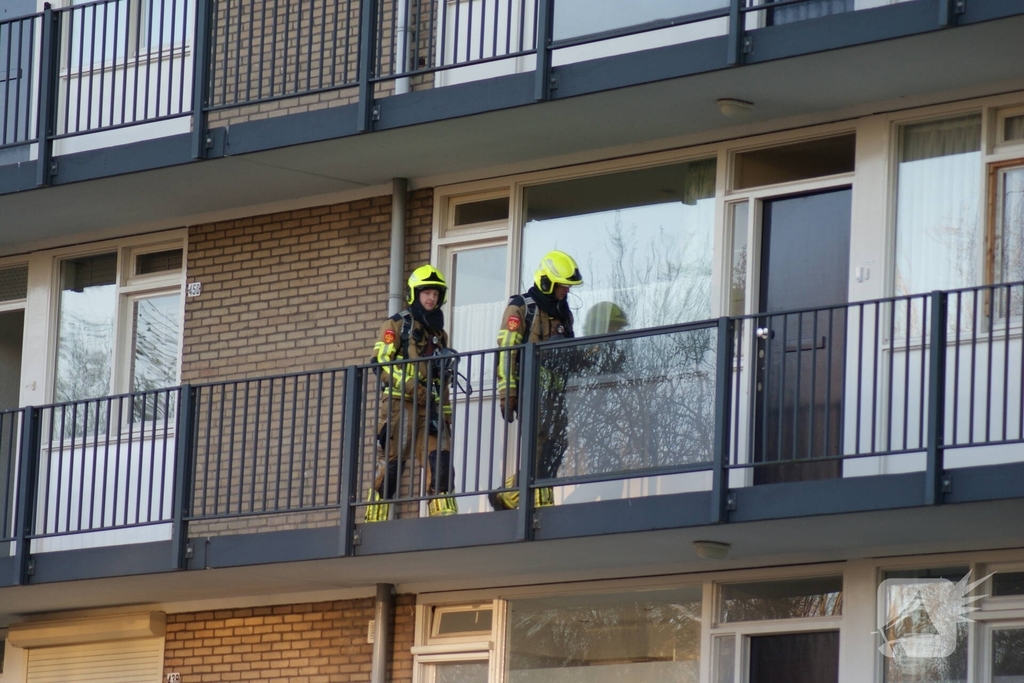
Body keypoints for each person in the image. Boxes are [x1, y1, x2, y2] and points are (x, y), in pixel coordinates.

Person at [491, 250, 583, 510]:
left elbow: (568, 353)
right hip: (531, 390)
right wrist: (507, 392)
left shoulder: (564, 313)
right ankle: (534, 499)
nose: (566, 289)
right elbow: (506, 350)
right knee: (539, 443)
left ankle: (509, 494)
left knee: (556, 445)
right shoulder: (521, 307)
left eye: (568, 285)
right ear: (547, 281)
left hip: (556, 392)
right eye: (562, 284)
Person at [365, 265, 458, 522]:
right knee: (392, 465)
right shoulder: (397, 324)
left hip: (431, 408)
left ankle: (444, 515)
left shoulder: (440, 334)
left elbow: (443, 378)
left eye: (435, 294)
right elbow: (380, 364)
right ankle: (375, 518)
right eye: (426, 293)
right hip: (400, 405)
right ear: (415, 294)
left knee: (440, 457)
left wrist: (446, 413)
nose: (431, 298)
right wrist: (411, 387)